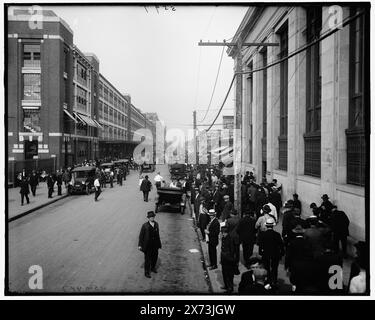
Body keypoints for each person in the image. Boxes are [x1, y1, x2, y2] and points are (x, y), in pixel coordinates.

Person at [258, 218, 285, 285]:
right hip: (275, 254)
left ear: (266, 225)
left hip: (266, 253)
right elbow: (281, 244)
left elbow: (260, 245)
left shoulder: (263, 234)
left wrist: (260, 253)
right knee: (274, 268)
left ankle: (267, 280)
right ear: (273, 226)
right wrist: (282, 253)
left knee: (266, 267)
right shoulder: (277, 234)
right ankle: (274, 280)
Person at [138, 211, 162, 278]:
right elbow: (141, 236)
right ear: (148, 218)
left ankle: (153, 268)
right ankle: (146, 272)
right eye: (150, 217)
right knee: (147, 259)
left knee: (155, 257)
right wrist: (140, 245)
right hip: (147, 245)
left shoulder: (156, 224)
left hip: (155, 245)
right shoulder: (145, 225)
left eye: (153, 217)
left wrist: (159, 244)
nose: (152, 218)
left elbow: (158, 235)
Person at [220, 225, 237, 294]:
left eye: (222, 233)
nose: (221, 234)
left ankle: (230, 288)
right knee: (224, 273)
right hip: (224, 260)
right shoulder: (224, 238)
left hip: (229, 260)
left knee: (229, 275)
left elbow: (232, 251)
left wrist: (226, 256)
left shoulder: (230, 239)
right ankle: (226, 286)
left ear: (225, 232)